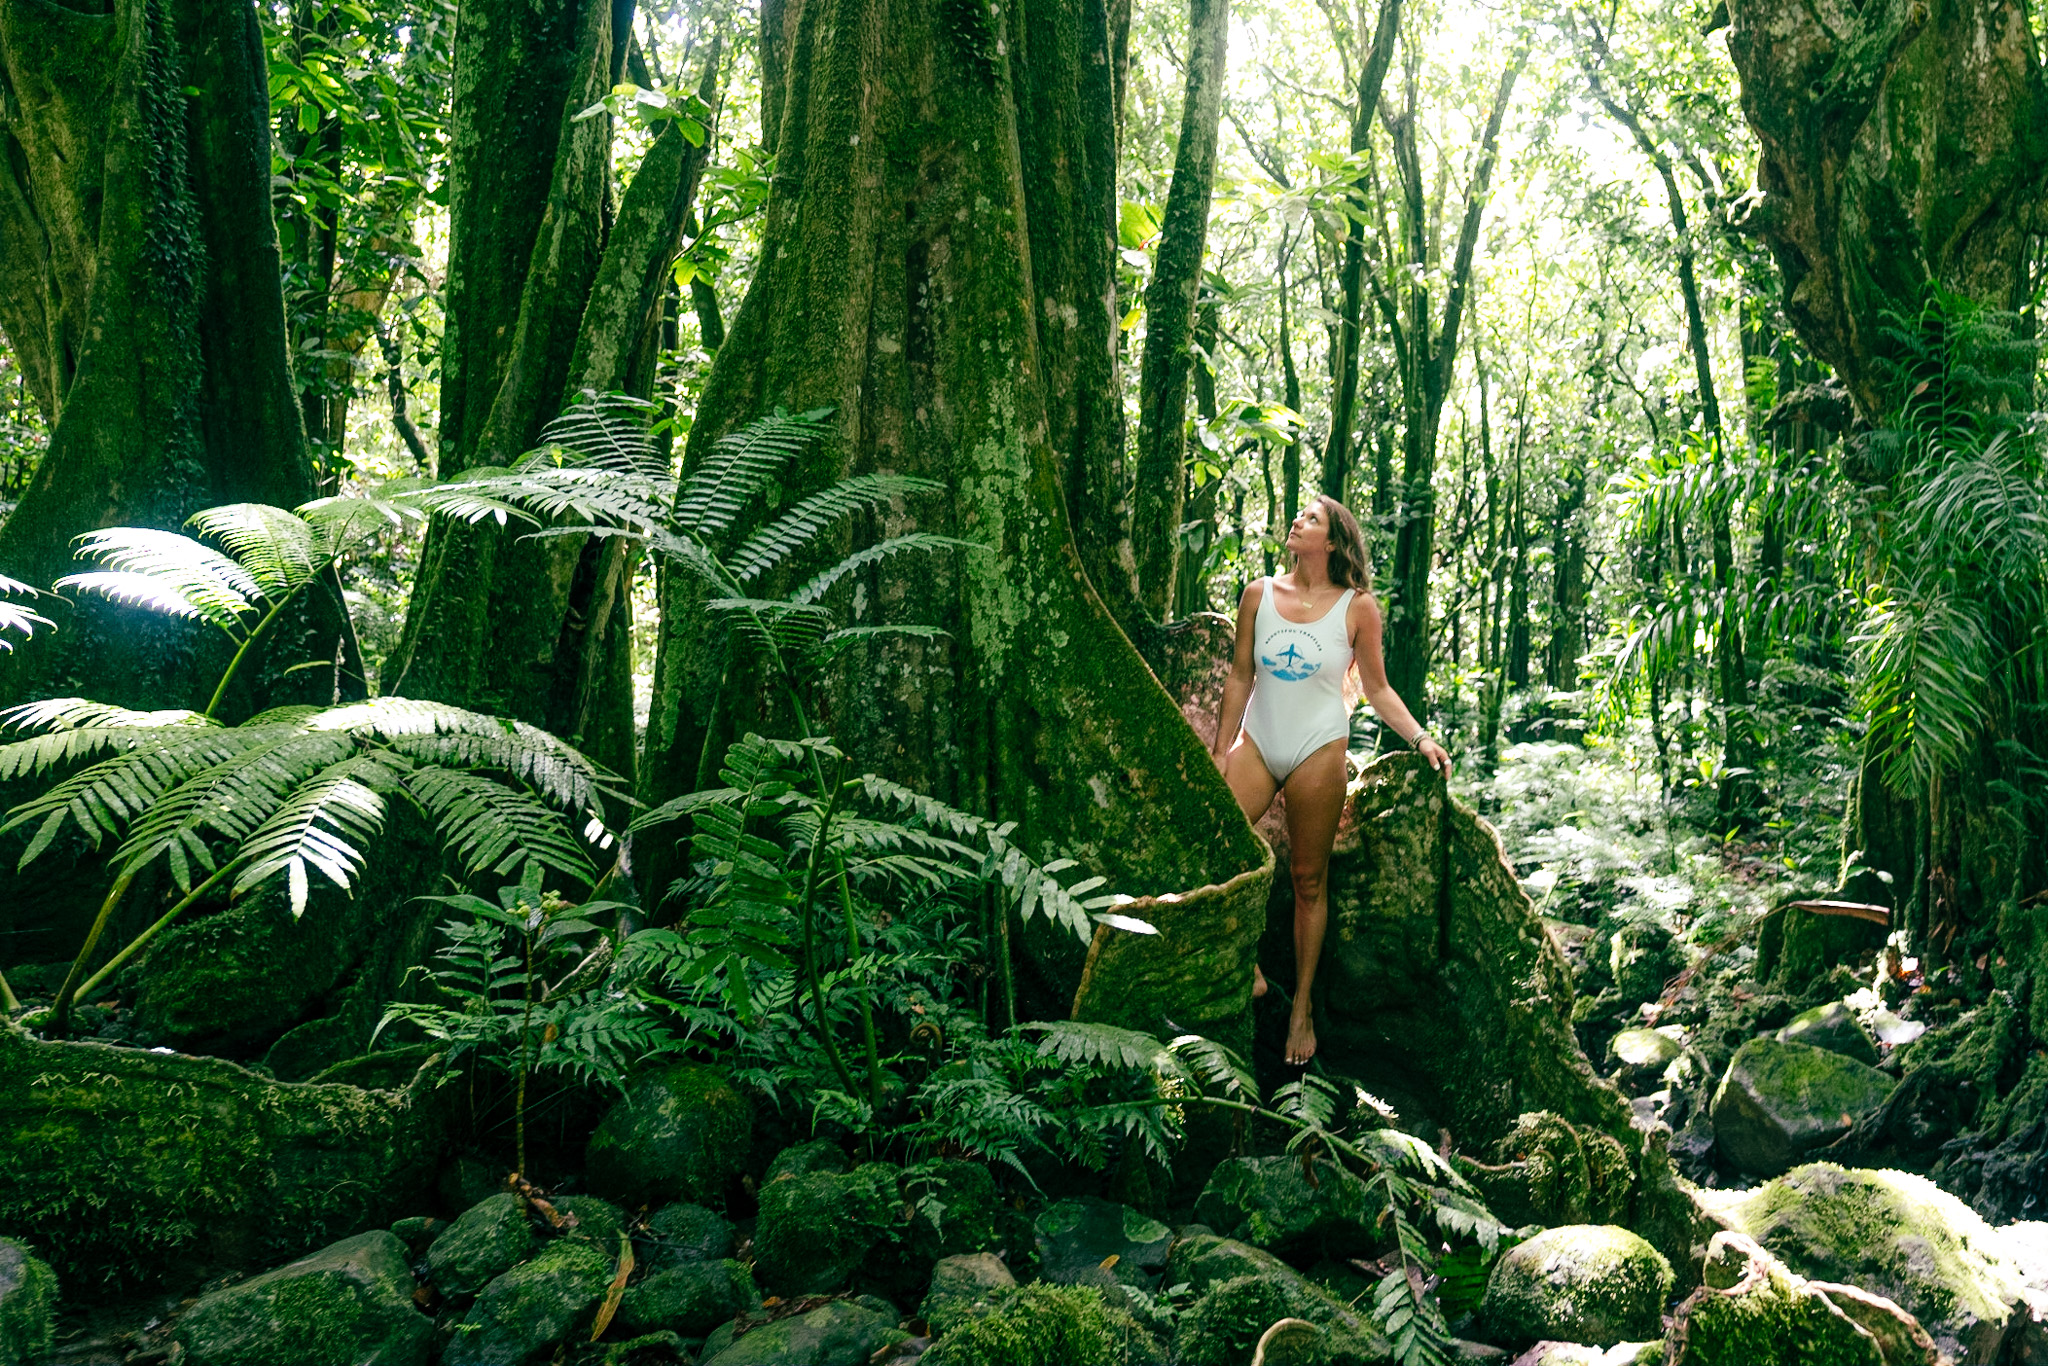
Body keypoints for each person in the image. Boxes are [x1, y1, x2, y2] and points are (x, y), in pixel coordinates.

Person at [1211, 495, 1452, 1065]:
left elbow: (1377, 689)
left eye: (1311, 518)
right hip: (1259, 743)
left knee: (1308, 881)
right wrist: (1222, 751)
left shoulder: (1357, 607)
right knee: (1214, 834)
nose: (1297, 521)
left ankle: (1303, 1012)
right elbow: (1240, 675)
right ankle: (1248, 968)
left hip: (1318, 748)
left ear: (1334, 542)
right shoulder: (1258, 595)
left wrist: (1420, 737)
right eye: (1298, 515)